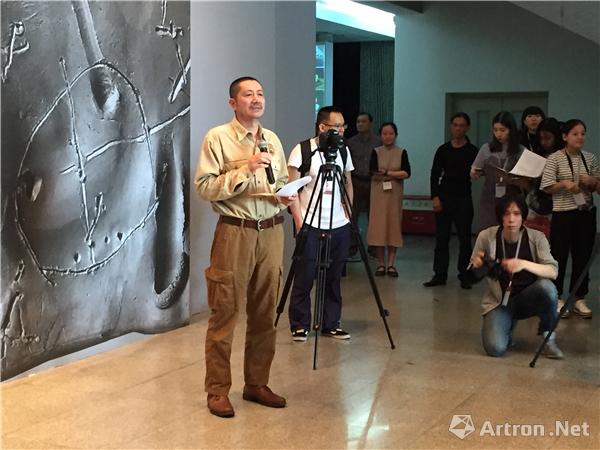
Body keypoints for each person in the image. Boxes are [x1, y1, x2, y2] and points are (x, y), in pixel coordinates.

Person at [195, 76, 297, 418]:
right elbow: (205, 188)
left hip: (271, 231)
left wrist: (287, 194)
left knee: (266, 313)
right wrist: (245, 168)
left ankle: (256, 383)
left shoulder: (272, 140)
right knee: (225, 312)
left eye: (260, 94)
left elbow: (280, 182)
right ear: (232, 102)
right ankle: (217, 390)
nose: (256, 99)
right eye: (248, 94)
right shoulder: (218, 138)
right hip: (234, 232)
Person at [287, 106, 354, 342]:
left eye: (343, 126)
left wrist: (348, 214)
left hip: (338, 223)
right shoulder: (304, 150)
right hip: (310, 221)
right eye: (337, 126)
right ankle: (300, 323)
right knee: (305, 274)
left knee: (334, 276)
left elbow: (347, 182)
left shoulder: (343, 151)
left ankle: (330, 323)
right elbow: (291, 188)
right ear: (322, 127)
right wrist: (298, 220)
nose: (341, 130)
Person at [469, 194, 563, 359]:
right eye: (506, 214)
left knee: (547, 288)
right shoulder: (486, 236)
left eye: (516, 214)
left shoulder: (536, 237)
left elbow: (552, 271)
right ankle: (507, 325)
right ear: (500, 217)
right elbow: (469, 276)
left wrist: (523, 264)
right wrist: (476, 266)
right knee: (495, 349)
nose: (511, 219)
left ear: (523, 217)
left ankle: (548, 338)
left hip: (528, 298)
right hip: (499, 302)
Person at [540, 119, 600, 319]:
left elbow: (598, 188)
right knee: (559, 256)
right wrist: (564, 184)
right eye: (575, 133)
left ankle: (579, 298)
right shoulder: (555, 158)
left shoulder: (590, 158)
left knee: (582, 256)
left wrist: (592, 182)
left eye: (583, 133)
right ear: (565, 137)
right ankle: (556, 296)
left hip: (585, 214)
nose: (580, 137)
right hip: (562, 214)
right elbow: (546, 186)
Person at [424, 113, 478, 289]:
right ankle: (440, 274)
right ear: (450, 126)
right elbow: (434, 174)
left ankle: (465, 275)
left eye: (462, 125)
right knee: (441, 239)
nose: (458, 128)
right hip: (444, 197)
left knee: (464, 240)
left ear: (467, 127)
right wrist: (435, 197)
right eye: (455, 125)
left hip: (463, 198)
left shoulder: (472, 151)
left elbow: (479, 172)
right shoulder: (443, 150)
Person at [367, 122, 410, 277]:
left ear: (395, 135)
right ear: (380, 136)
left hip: (394, 195)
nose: (388, 136)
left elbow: (406, 172)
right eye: (385, 134)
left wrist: (387, 173)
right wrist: (390, 173)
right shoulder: (376, 151)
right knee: (379, 228)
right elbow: (372, 171)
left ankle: (391, 264)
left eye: (391, 133)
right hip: (378, 194)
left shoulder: (401, 152)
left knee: (393, 226)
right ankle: (380, 264)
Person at [471, 111, 526, 231]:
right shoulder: (487, 148)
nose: (498, 134)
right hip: (490, 197)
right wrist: (475, 172)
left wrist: (514, 179)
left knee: (510, 231)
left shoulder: (520, 150)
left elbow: (527, 181)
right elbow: (475, 170)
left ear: (511, 130)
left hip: (512, 196)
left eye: (502, 130)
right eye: (495, 130)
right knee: (489, 231)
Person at [346, 112, 381, 256]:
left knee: (374, 216)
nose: (360, 124)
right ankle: (352, 246)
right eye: (358, 122)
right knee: (352, 215)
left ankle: (373, 247)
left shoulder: (378, 142)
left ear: (370, 123)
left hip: (373, 181)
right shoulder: (351, 142)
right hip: (356, 181)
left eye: (363, 121)